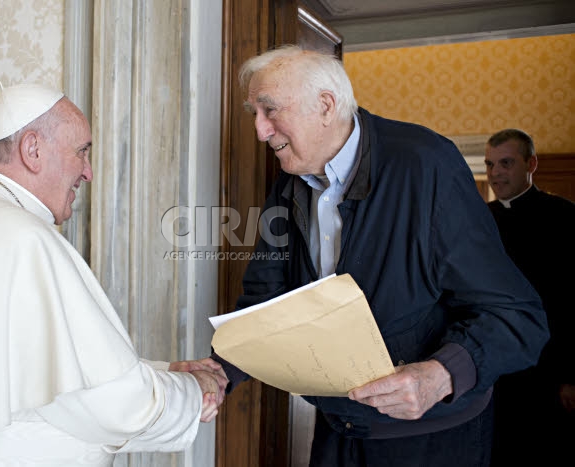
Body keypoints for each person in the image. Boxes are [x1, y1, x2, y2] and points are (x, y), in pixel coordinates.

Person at [211, 45, 549, 467]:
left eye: (270, 110)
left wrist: (441, 375)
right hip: (339, 429)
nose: (260, 130)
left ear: (326, 105)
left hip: (433, 439)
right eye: (254, 113)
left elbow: (518, 317)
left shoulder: (427, 165)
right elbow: (266, 299)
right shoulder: (289, 181)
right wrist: (221, 370)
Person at [0, 83, 227, 467]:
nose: (88, 172)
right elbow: (114, 407)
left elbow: (51, 370)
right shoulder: (22, 237)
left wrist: (164, 370)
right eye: (81, 151)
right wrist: (193, 391)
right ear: (33, 150)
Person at [484, 129, 575, 467]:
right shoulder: (481, 220)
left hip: (548, 366)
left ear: (531, 164)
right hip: (495, 363)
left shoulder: (564, 216)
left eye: (505, 163)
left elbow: (571, 301)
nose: (495, 174)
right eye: (490, 164)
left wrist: (570, 375)